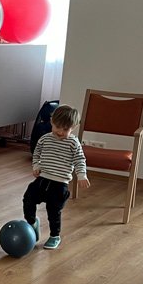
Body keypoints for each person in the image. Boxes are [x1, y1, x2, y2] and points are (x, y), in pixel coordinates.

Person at [22, 104, 91, 250]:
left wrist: (81, 175)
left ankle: (55, 236)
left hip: (59, 184)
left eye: (65, 129)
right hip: (42, 179)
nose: (60, 132)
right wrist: (36, 166)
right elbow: (37, 153)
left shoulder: (73, 143)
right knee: (28, 198)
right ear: (52, 121)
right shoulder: (45, 139)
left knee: (53, 211)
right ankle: (32, 222)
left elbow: (80, 160)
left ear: (74, 127)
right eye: (57, 127)